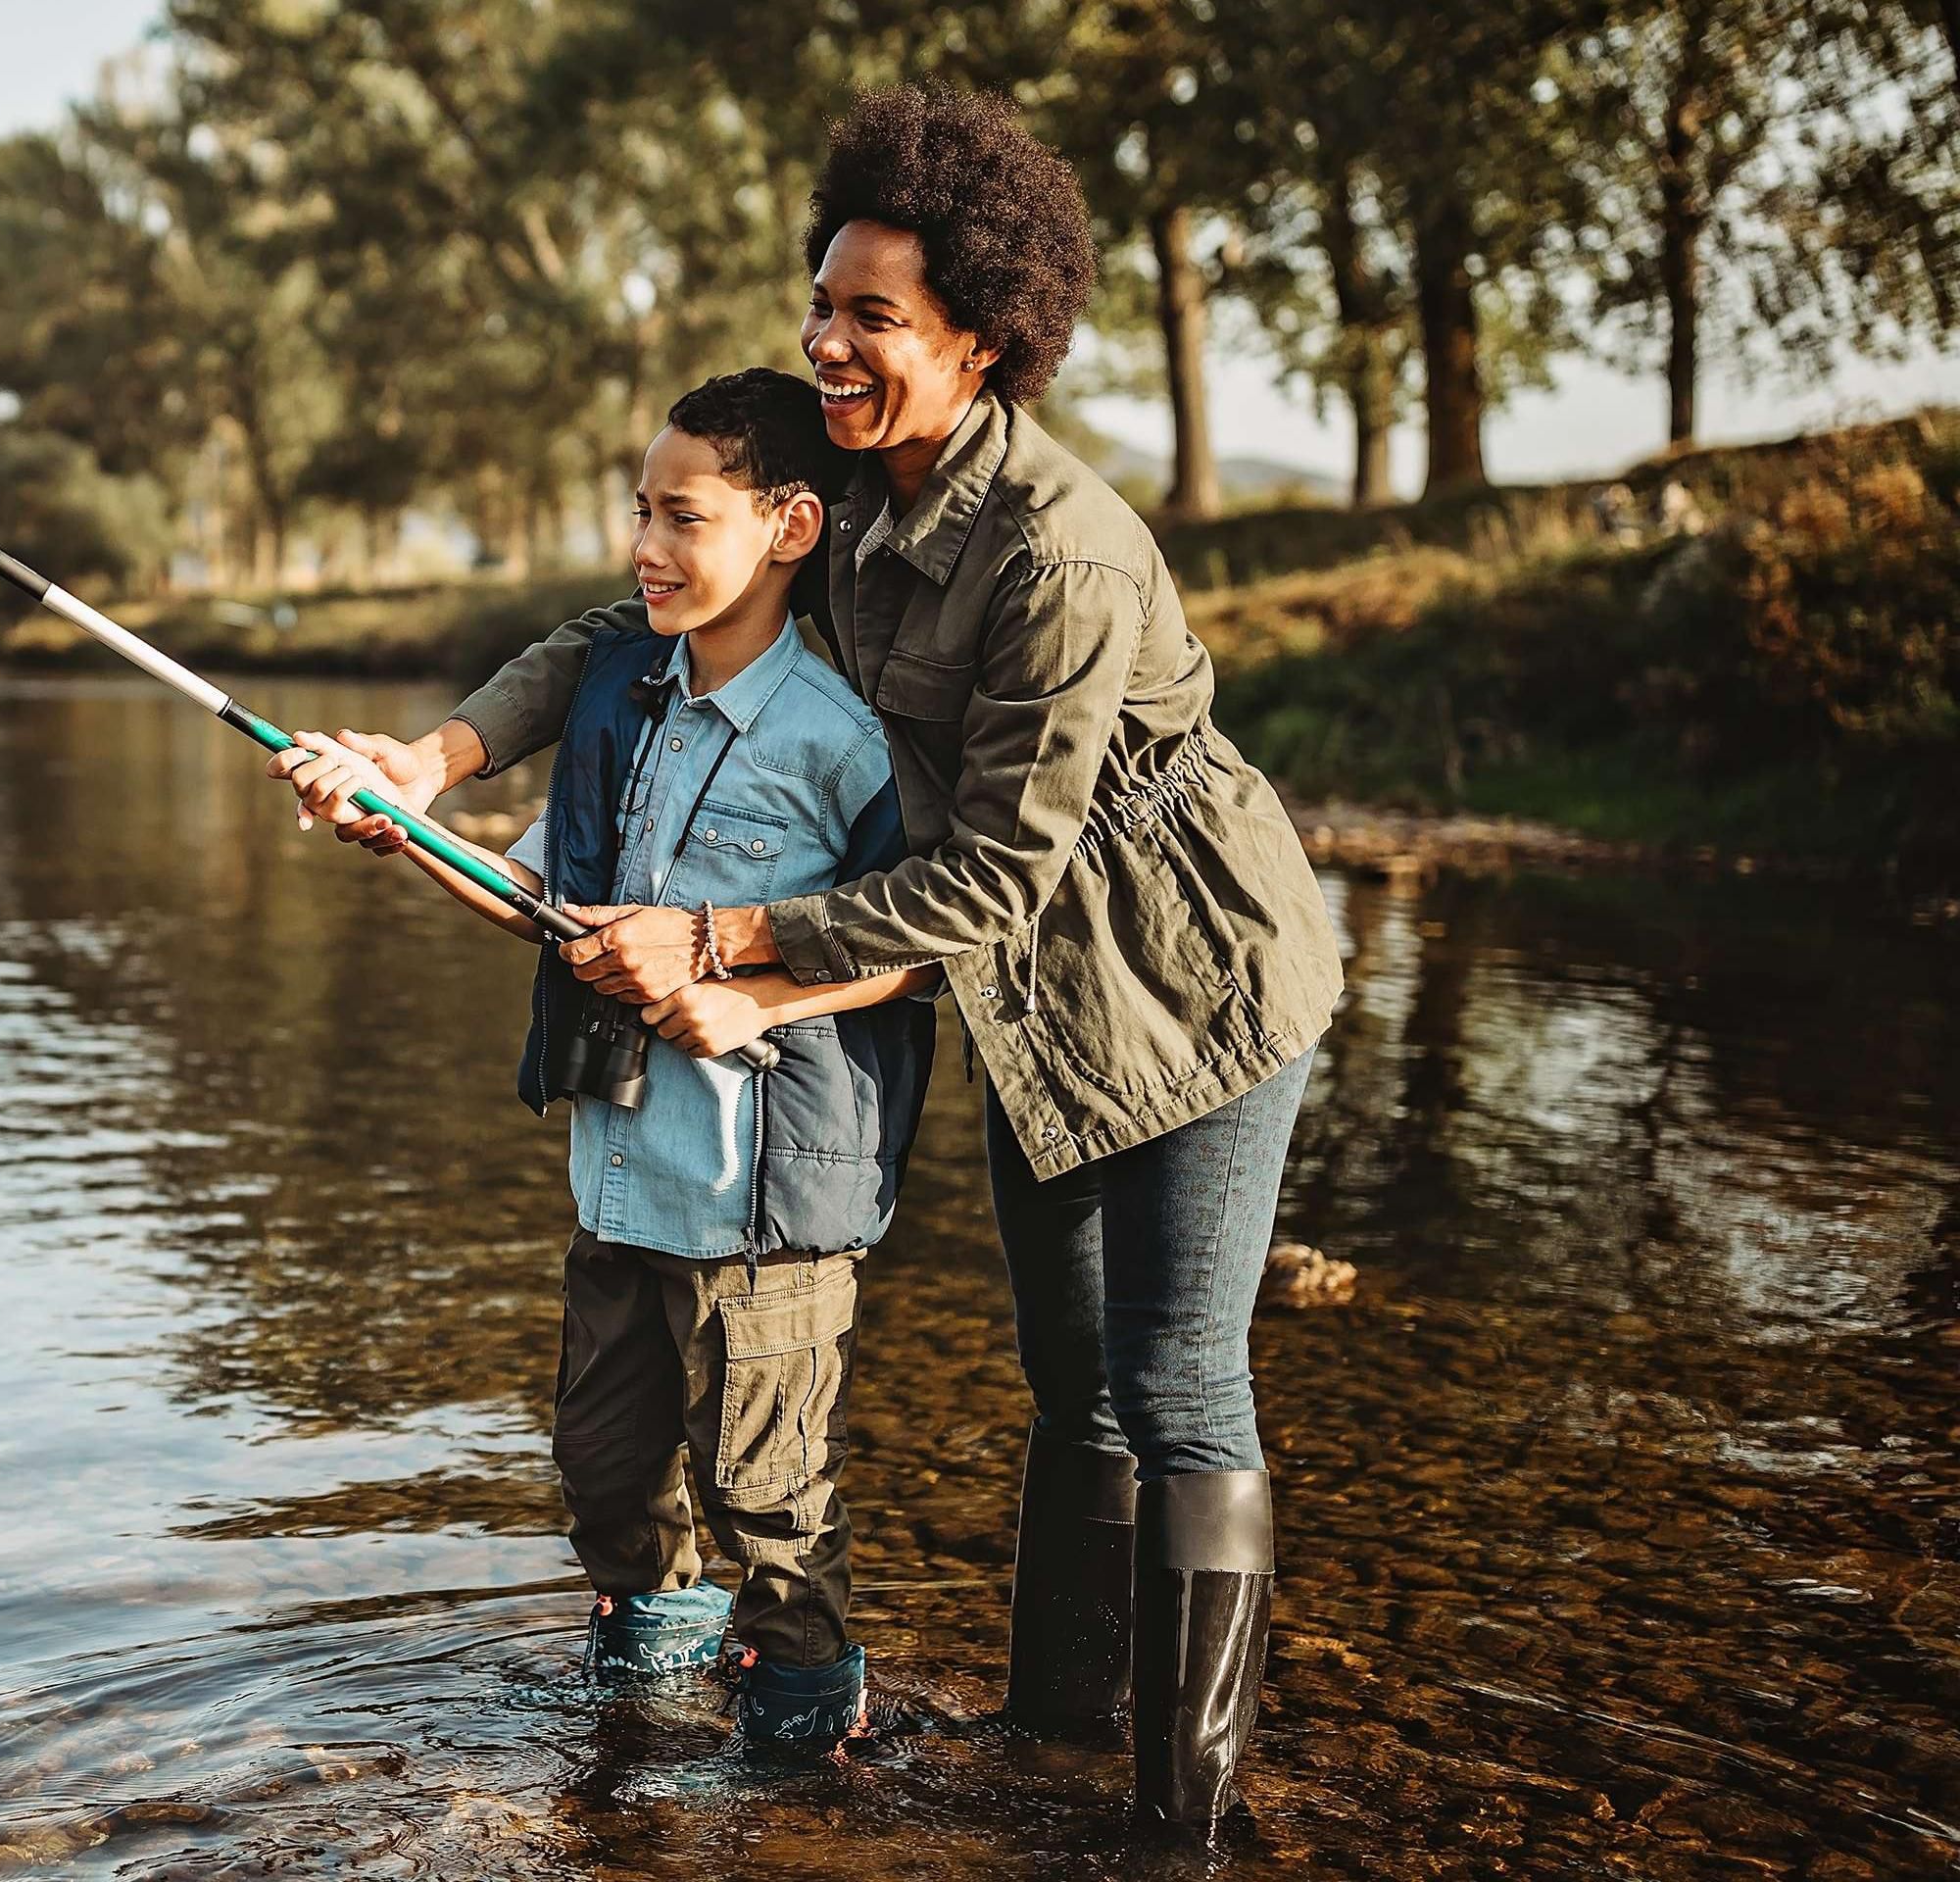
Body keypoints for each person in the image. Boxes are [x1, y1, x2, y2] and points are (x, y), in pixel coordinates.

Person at [275, 90, 1345, 1840]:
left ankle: (1181, 1818)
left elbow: (999, 866)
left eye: (877, 319)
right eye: (825, 303)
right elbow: (620, 635)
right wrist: (434, 766)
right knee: (1066, 1380)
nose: (827, 343)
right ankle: (1054, 1746)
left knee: (1174, 1380)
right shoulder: (832, 486)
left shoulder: (1060, 550)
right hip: (1011, 991)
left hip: (1193, 976)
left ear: (986, 342)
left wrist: (727, 946)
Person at [279, 370, 938, 1762]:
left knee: (771, 1507)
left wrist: (753, 1000)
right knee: (608, 1487)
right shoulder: (615, 701)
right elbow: (537, 901)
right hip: (621, 1192)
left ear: (790, 526)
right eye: (638, 511)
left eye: (681, 517)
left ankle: (810, 1760)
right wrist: (402, 826)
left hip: (767, 1213)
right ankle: (648, 1740)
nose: (645, 545)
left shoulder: (844, 738)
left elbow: (928, 951)